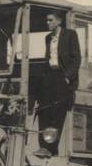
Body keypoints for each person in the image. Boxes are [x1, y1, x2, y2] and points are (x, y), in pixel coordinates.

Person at [35, 11, 81, 157]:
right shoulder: (48, 38)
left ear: (59, 21)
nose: (47, 23)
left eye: (50, 20)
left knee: (57, 113)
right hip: (50, 76)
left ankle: (51, 148)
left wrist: (67, 77)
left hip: (63, 76)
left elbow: (76, 58)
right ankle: (44, 147)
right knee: (44, 110)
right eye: (47, 20)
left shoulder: (70, 35)